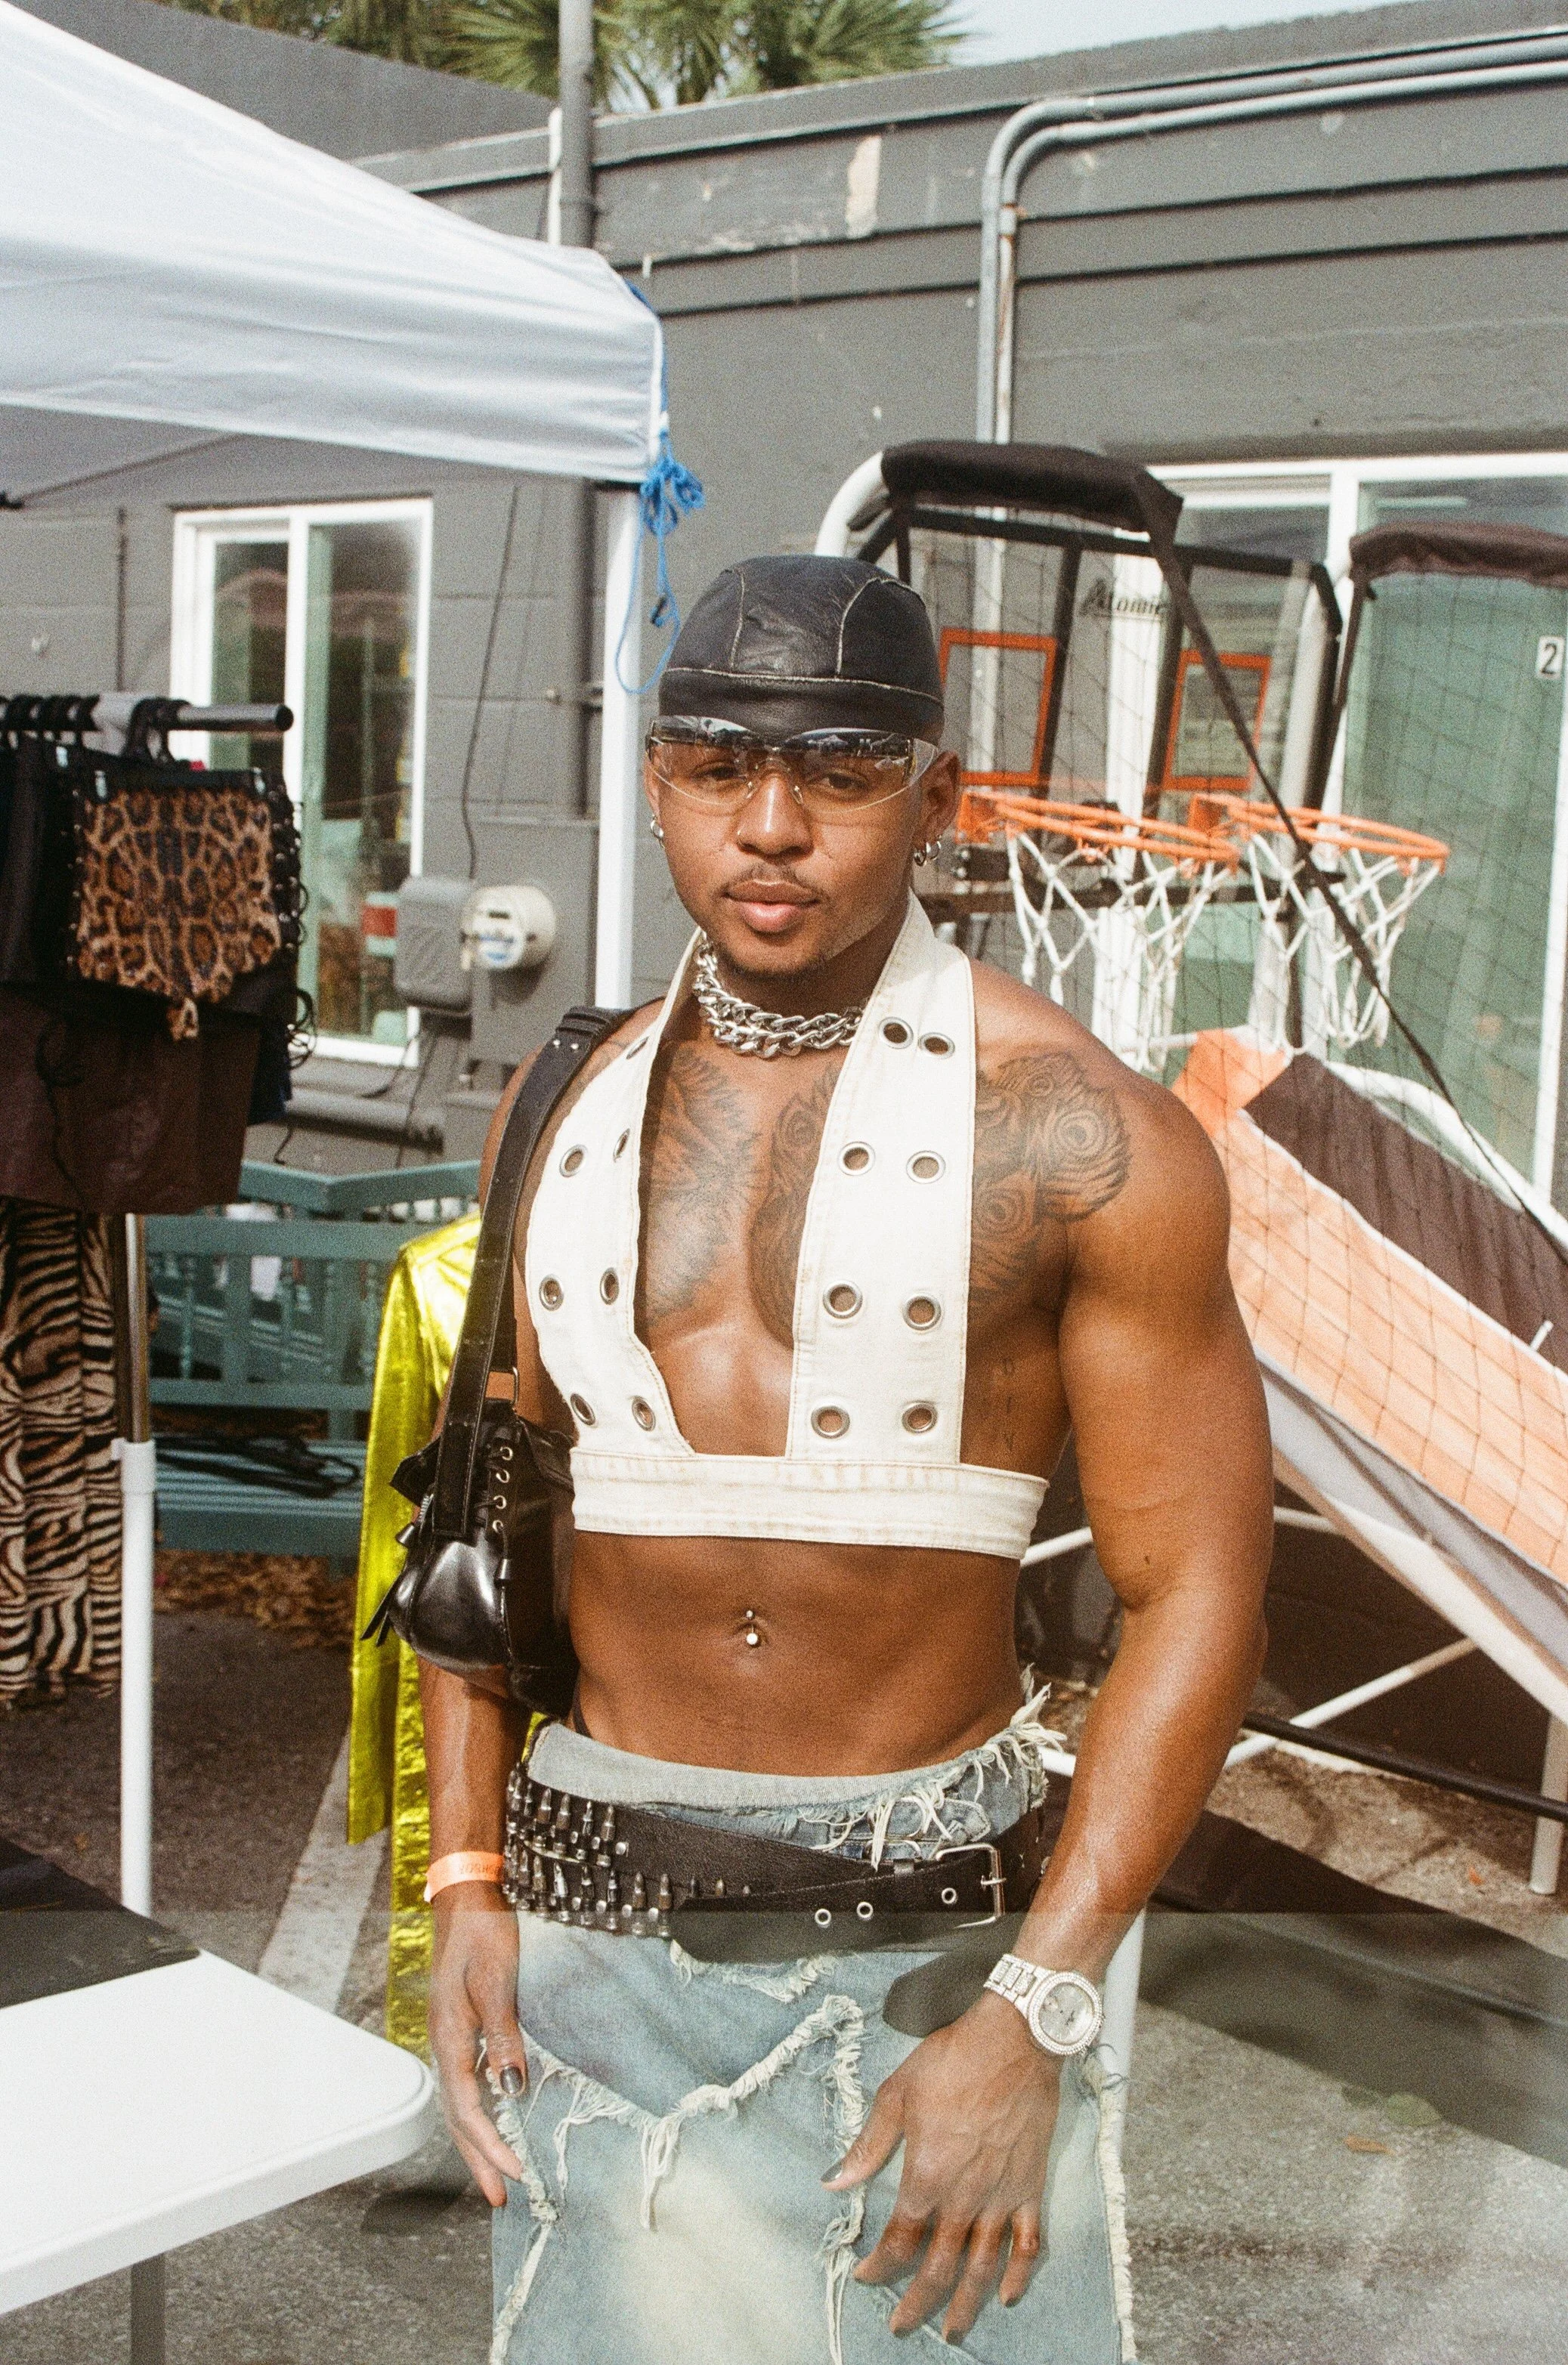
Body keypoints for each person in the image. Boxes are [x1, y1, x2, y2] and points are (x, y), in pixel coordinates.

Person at [418, 555, 1273, 2364]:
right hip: (585, 1934)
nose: (773, 823)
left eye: (840, 767)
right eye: (717, 761)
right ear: (654, 780)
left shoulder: (1082, 1134)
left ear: (936, 798)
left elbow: (1197, 1586)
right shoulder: (557, 1104)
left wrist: (1037, 2005)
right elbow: (485, 1521)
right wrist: (464, 1879)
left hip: (929, 1959)